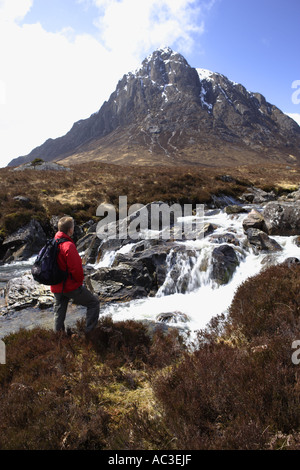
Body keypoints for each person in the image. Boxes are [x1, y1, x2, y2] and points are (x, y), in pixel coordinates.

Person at [51, 216, 100, 335]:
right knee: (93, 303)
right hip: (69, 286)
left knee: (59, 312)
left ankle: (58, 339)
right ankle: (90, 334)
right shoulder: (68, 246)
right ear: (70, 230)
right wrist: (79, 284)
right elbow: (76, 269)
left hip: (56, 285)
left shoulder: (52, 242)